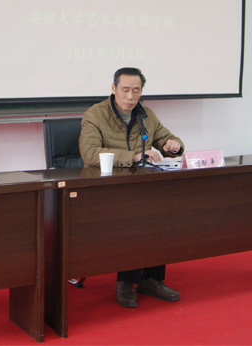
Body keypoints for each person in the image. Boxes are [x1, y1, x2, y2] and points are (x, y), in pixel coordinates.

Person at [78, 67, 184, 309]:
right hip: (105, 187)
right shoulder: (95, 115)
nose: (130, 96)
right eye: (125, 90)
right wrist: (134, 156)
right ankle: (125, 281)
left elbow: (165, 139)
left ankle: (151, 279)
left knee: (162, 212)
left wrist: (174, 145)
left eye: (136, 91)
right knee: (132, 216)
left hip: (139, 184)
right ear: (113, 88)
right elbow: (90, 154)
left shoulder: (145, 115)